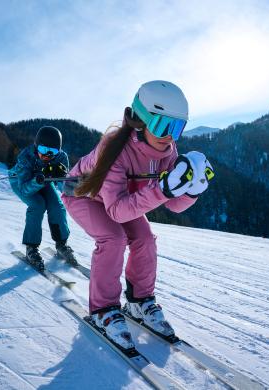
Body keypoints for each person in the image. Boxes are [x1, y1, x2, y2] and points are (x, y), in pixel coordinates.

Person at [61, 81, 214, 349]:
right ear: (140, 121)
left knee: (145, 239)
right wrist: (162, 189)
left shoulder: (169, 151)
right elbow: (117, 212)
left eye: (177, 127)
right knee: (113, 238)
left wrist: (192, 191)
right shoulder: (114, 148)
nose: (169, 136)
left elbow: (173, 205)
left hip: (121, 199)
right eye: (162, 126)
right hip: (84, 195)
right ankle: (103, 310)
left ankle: (139, 302)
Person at [9, 125, 77, 270]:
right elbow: (25, 190)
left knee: (57, 206)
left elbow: (62, 187)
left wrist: (64, 177)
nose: (47, 155)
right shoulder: (25, 157)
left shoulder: (61, 157)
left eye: (52, 151)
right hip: (22, 182)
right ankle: (31, 248)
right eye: (43, 150)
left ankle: (61, 244)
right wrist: (38, 180)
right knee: (37, 205)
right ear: (36, 146)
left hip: (43, 181)